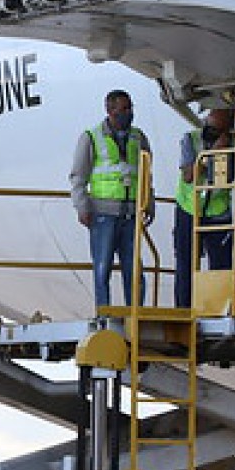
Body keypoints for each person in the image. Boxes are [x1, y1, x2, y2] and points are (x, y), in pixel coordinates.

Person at [69, 88, 153, 310]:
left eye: (130, 108)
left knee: (133, 269)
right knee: (102, 267)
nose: (129, 112)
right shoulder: (91, 137)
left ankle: (135, 312)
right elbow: (79, 175)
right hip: (103, 214)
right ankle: (104, 312)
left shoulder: (139, 137)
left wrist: (148, 203)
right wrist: (82, 206)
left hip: (131, 213)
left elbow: (146, 174)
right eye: (124, 108)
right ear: (110, 110)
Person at [171, 106, 235, 309]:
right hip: (189, 209)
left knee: (221, 266)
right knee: (186, 263)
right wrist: (212, 154)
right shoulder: (191, 140)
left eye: (218, 129)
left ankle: (218, 309)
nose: (211, 131)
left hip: (218, 213)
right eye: (210, 126)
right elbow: (188, 176)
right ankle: (184, 309)